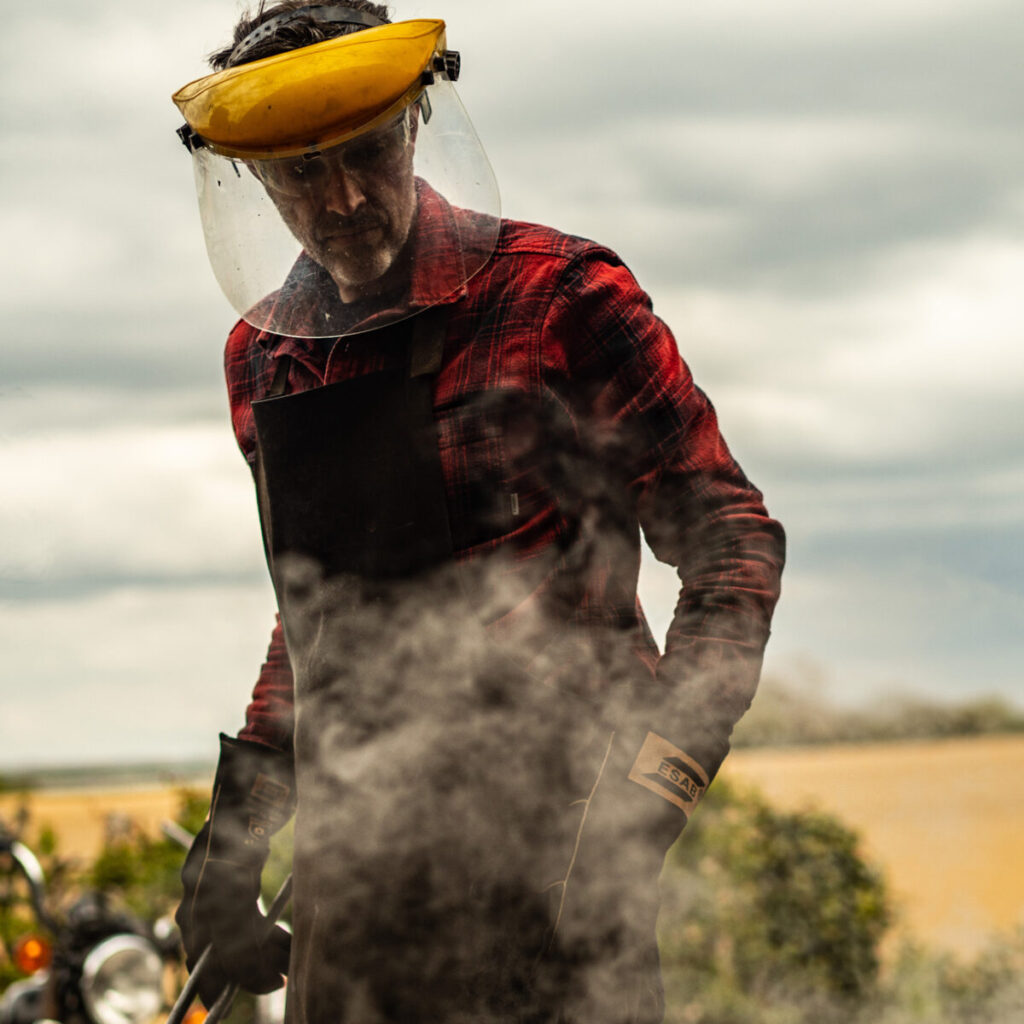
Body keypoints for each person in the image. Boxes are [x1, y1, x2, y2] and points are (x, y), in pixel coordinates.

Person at [171, 4, 786, 1024]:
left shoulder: (559, 298)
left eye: (367, 153)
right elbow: (324, 616)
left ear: (415, 122)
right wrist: (234, 839)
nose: (344, 199)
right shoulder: (266, 359)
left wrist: (643, 806)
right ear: (255, 177)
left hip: (556, 865)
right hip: (358, 870)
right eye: (299, 175)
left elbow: (731, 545)